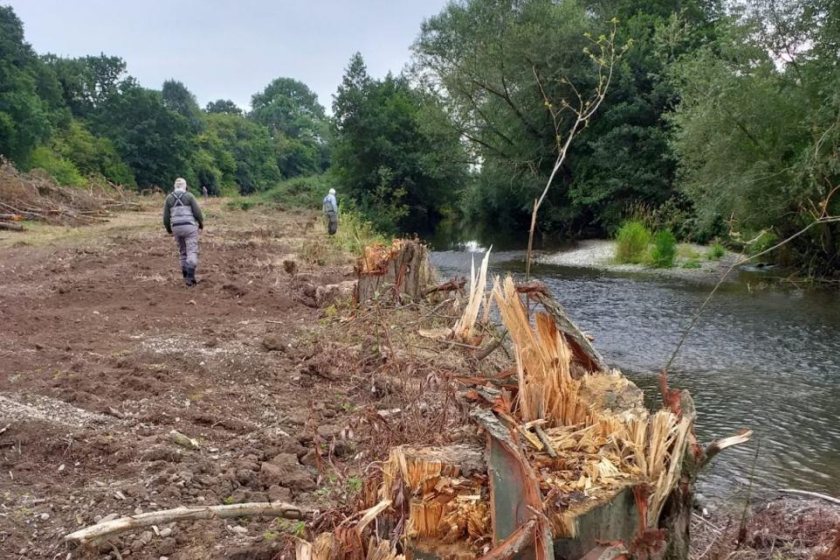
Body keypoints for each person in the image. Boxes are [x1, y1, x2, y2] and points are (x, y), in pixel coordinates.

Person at [163, 178, 204, 286]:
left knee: (182, 251)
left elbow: (166, 218)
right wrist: (200, 223)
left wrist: (169, 229)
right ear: (185, 186)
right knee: (192, 250)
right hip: (189, 227)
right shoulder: (189, 196)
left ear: (175, 187)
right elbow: (197, 213)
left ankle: (185, 275)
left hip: (176, 227)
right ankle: (190, 278)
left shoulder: (169, 198)